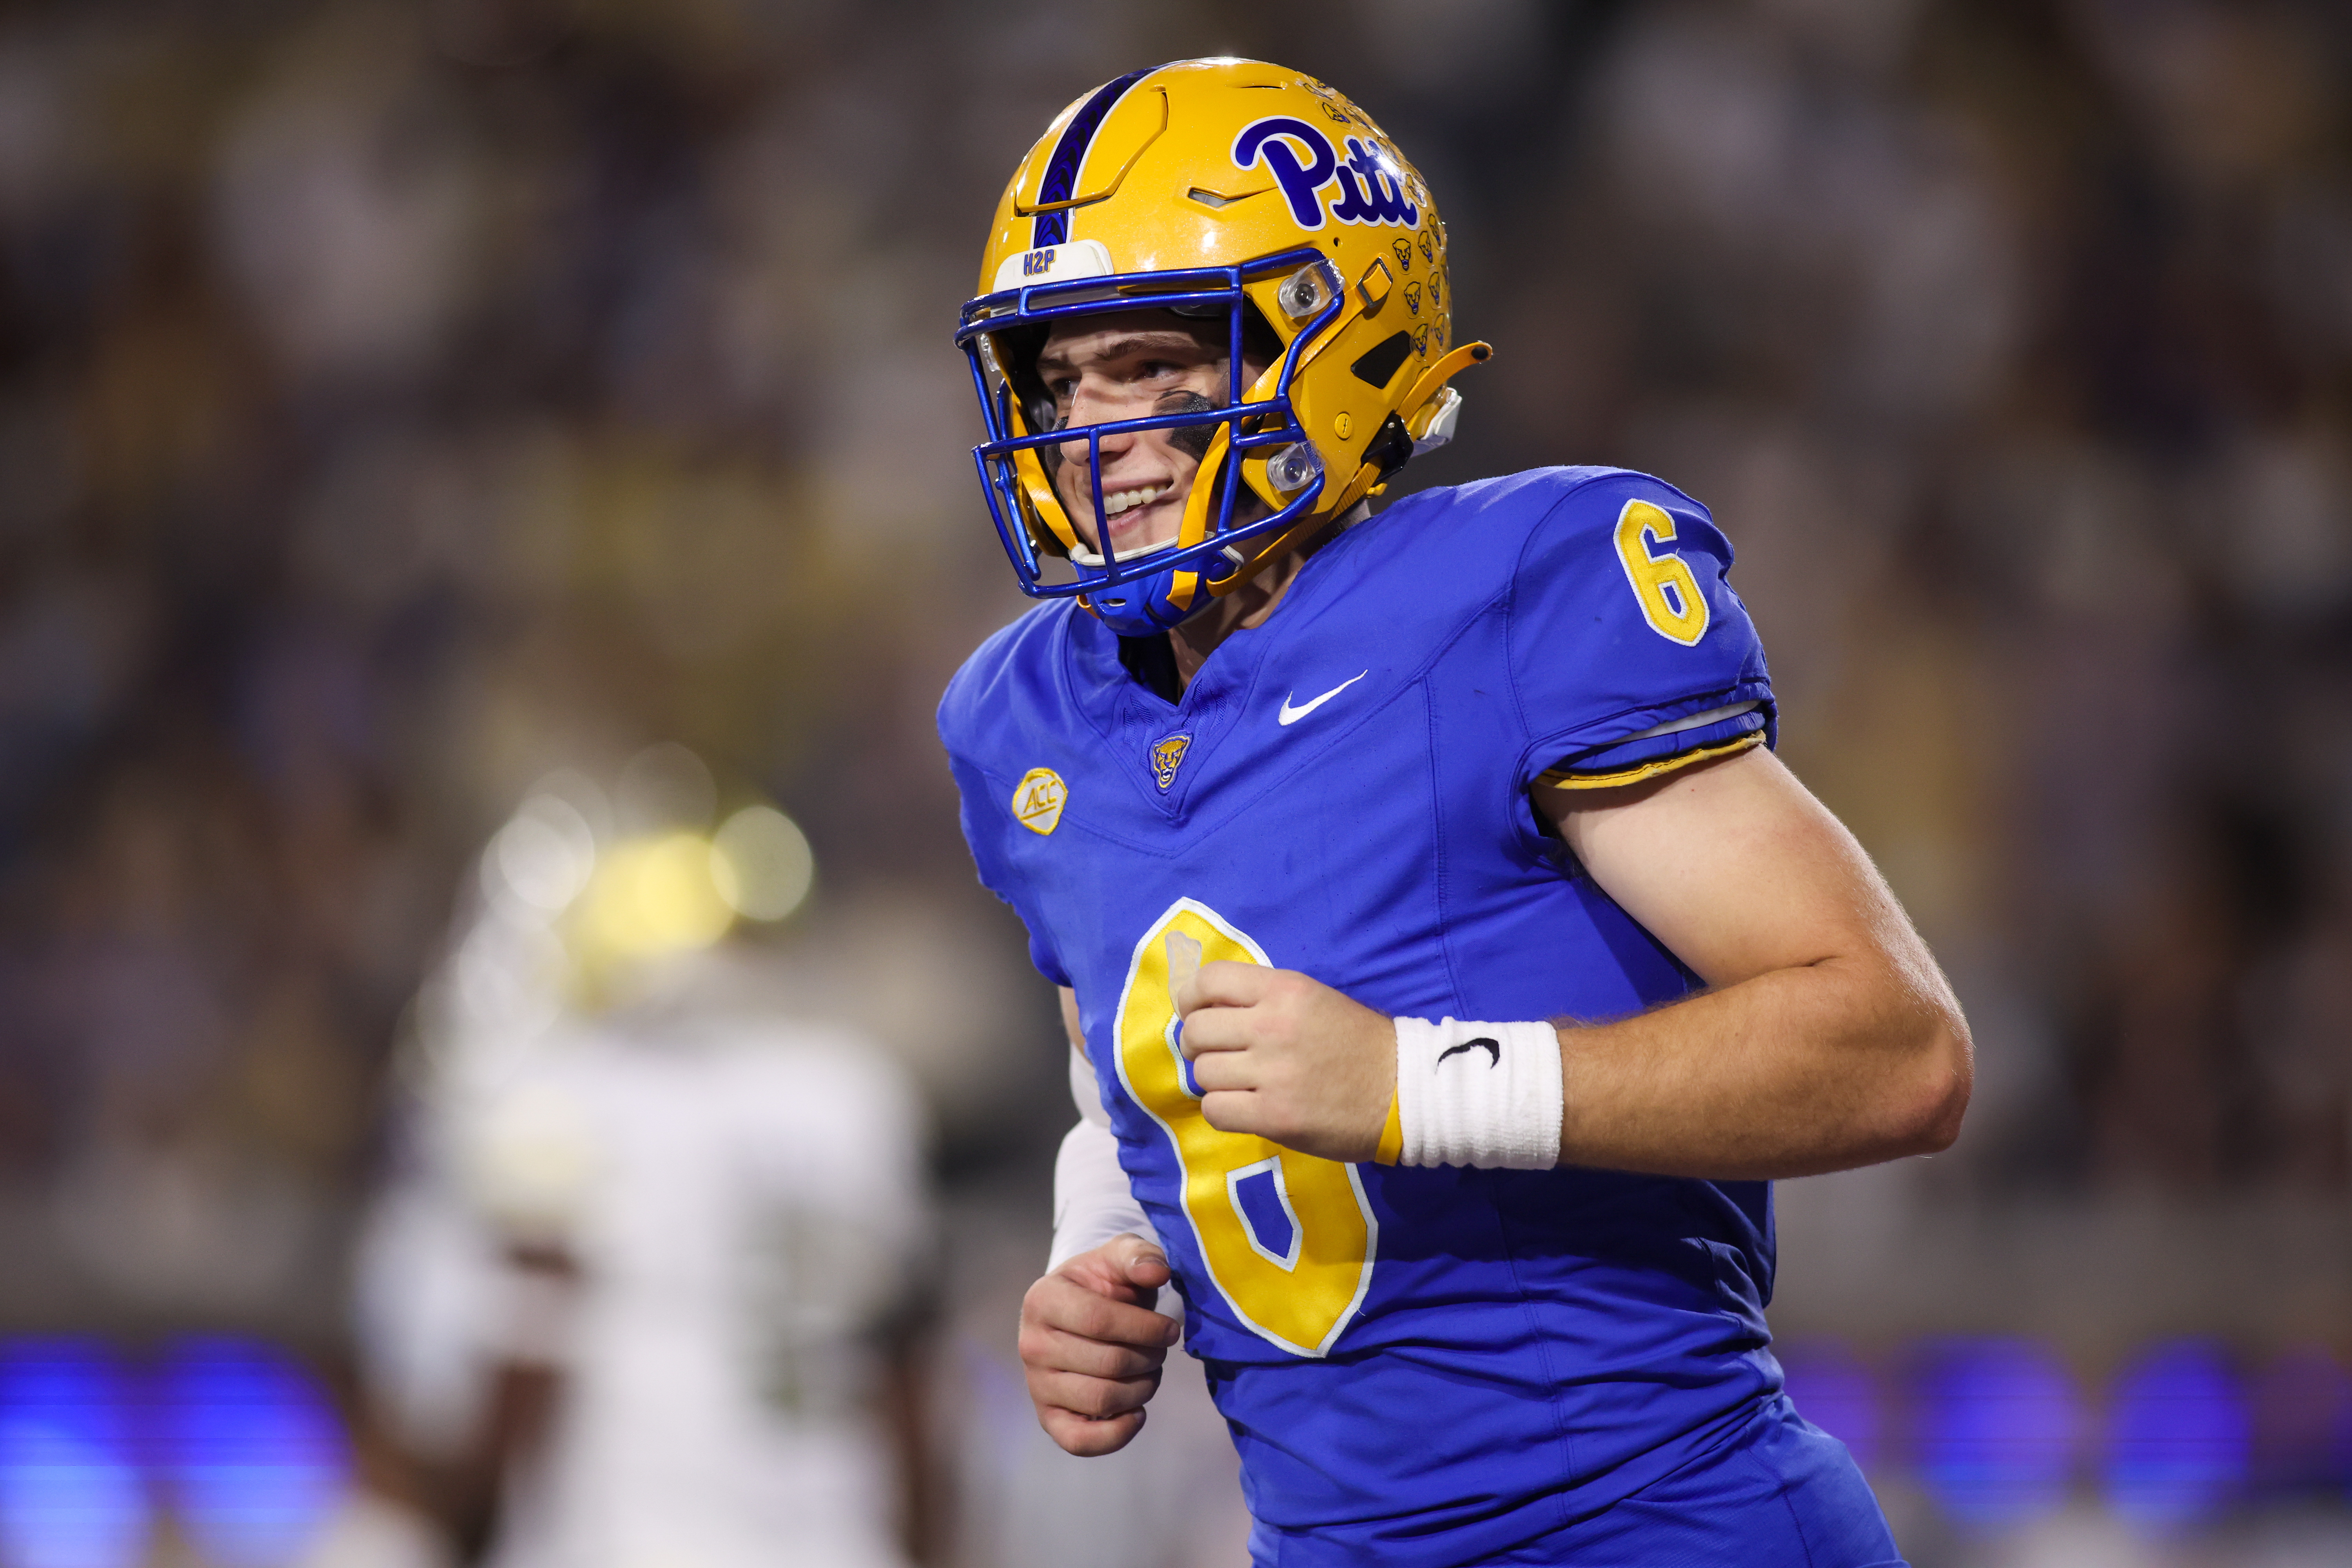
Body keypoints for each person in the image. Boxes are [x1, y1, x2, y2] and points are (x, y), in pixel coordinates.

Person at [936, 58, 1969, 1567]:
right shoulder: (1021, 714)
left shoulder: (1511, 592)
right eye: (1060, 376)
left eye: (1160, 364)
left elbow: (1897, 1050)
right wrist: (1101, 1244)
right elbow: (1133, 1054)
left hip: (1657, 1522)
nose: (1100, 434)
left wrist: (1422, 1087)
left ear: (1333, 346)